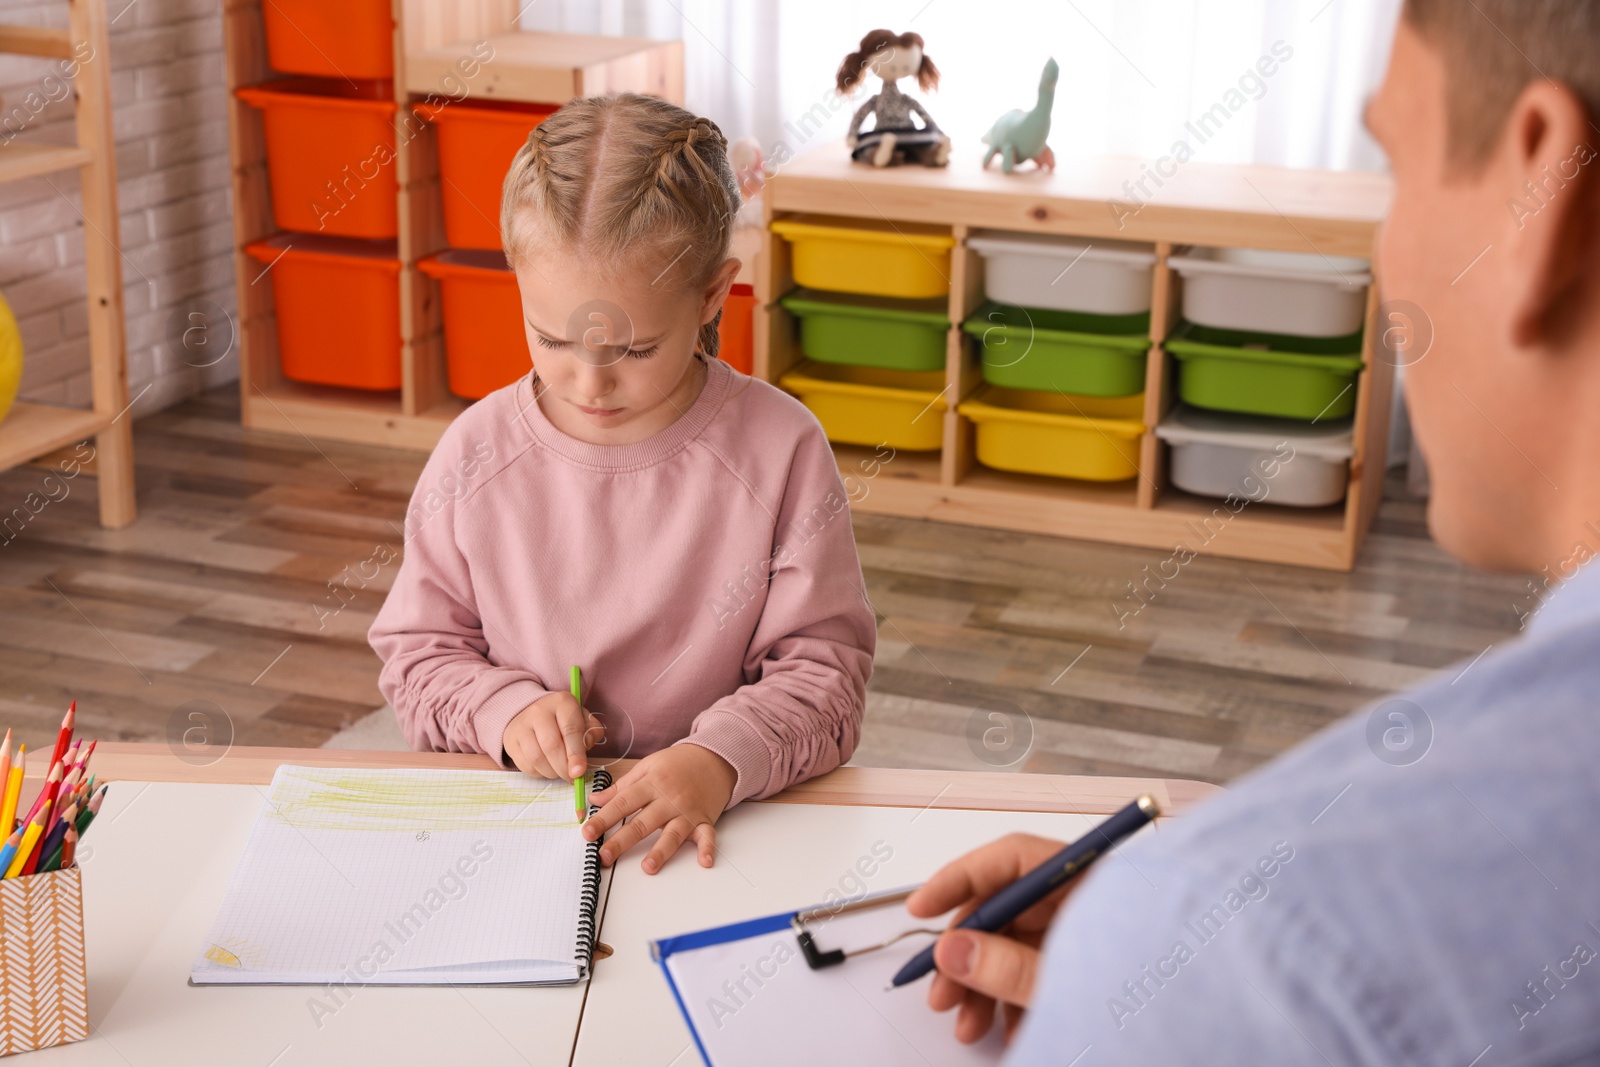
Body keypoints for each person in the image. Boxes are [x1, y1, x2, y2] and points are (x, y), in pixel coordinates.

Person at [908, 1, 1600, 1061]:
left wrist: (1180, 943)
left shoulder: (1244, 951)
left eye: (1398, 169)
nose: (1384, 262)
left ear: (1537, 196)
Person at [368, 94, 876, 876]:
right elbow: (418, 657)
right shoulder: (474, 453)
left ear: (712, 296)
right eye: (552, 338)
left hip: (725, 828)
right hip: (525, 833)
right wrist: (503, 713)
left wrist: (717, 758)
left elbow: (826, 675)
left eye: (634, 349)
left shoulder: (781, 449)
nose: (590, 382)